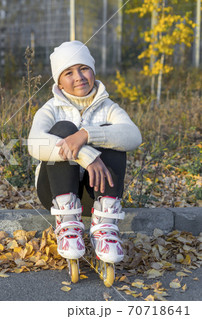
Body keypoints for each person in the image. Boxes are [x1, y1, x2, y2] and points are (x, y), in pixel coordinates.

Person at [27, 41, 142, 274]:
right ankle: (67, 224)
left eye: (84, 69)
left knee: (112, 131)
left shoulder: (108, 107)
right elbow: (34, 143)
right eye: (68, 72)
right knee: (63, 128)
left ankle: (105, 227)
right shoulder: (50, 109)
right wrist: (87, 155)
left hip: (95, 196)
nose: (79, 77)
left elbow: (134, 135)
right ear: (58, 81)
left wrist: (88, 134)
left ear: (93, 71)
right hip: (54, 194)